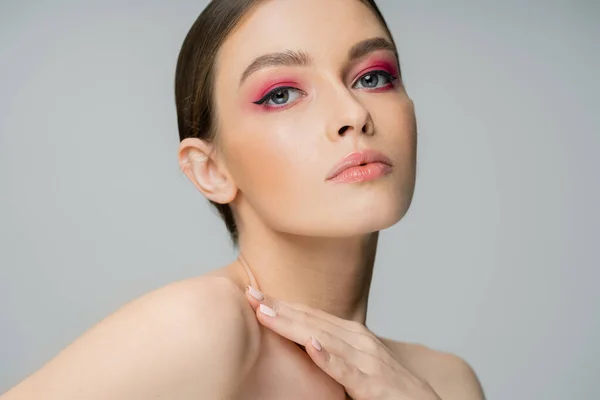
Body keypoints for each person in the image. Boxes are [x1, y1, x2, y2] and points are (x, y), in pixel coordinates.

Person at [1, 0, 486, 399]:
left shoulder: (445, 383)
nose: (353, 113)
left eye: (373, 77)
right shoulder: (202, 328)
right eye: (281, 94)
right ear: (210, 170)